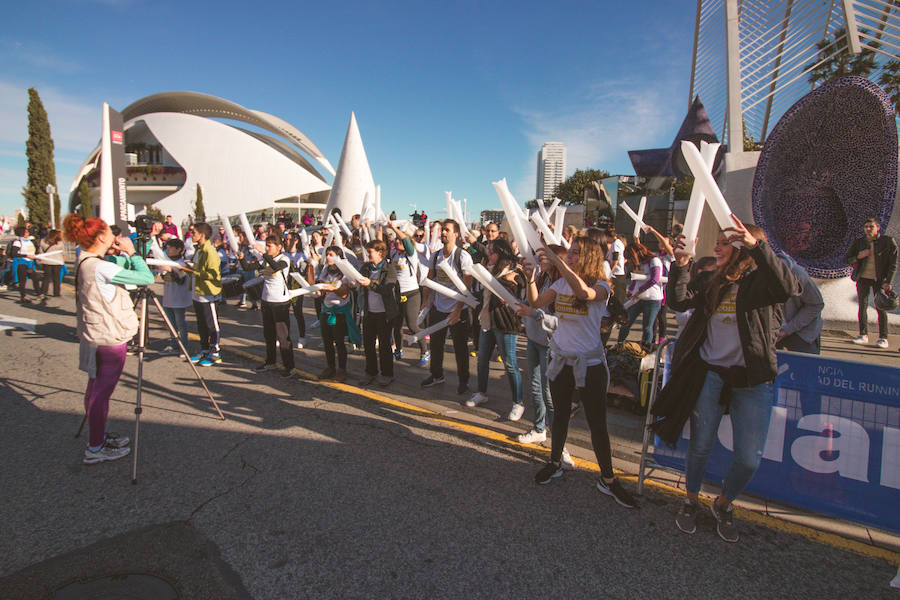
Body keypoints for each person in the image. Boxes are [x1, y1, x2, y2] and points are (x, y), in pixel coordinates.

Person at [659, 218, 797, 542]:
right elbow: (678, 301)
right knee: (701, 445)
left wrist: (758, 246)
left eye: (725, 242)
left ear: (743, 247)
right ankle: (691, 499)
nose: (716, 247)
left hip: (753, 381)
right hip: (709, 374)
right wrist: (680, 267)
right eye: (718, 241)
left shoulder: (763, 284)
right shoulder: (711, 280)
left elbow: (787, 288)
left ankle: (723, 503)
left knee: (749, 459)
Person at [521, 236, 637, 509]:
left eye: (575, 253)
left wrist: (556, 257)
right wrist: (530, 279)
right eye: (569, 253)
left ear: (590, 258)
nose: (570, 257)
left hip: (591, 364)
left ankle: (608, 479)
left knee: (597, 423)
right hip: (561, 360)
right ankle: (555, 462)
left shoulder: (602, 287)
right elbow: (536, 303)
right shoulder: (561, 283)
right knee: (560, 414)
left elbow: (584, 294)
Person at [63, 213, 155, 464]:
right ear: (102, 236)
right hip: (109, 336)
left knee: (95, 387)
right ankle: (95, 448)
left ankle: (98, 436)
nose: (116, 237)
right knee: (101, 392)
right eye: (110, 233)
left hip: (95, 333)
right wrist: (134, 253)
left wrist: (123, 254)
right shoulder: (100, 266)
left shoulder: (87, 260)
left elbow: (115, 269)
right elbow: (146, 278)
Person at [467, 238, 526, 421]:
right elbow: (485, 294)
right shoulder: (490, 269)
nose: (488, 254)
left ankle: (518, 402)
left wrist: (502, 285)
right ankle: (481, 393)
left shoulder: (513, 272)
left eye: (491, 251)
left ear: (500, 253)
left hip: (505, 323)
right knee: (482, 360)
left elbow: (509, 296)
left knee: (510, 363)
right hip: (487, 322)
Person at [420, 219, 473, 394]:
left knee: (460, 348)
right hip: (438, 307)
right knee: (436, 344)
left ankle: (463, 380)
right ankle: (436, 375)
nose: (443, 233)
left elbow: (467, 288)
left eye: (447, 230)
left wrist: (458, 310)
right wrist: (425, 301)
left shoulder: (463, 257)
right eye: (442, 230)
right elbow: (429, 280)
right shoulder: (435, 256)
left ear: (456, 234)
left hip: (458, 309)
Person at [242, 234, 294, 377]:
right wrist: (240, 256)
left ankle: (289, 366)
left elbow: (276, 267)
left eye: (270, 245)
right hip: (266, 300)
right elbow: (247, 267)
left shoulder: (284, 260)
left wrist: (263, 253)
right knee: (269, 334)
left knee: (283, 337)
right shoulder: (265, 260)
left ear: (279, 247)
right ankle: (270, 361)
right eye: (266, 245)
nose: (267, 248)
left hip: (280, 302)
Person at [844, 218, 898, 348]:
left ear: (878, 227)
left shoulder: (887, 242)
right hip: (863, 278)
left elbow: (893, 264)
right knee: (862, 306)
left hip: (879, 279)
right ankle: (863, 334)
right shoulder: (860, 243)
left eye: (871, 226)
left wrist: (888, 281)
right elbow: (847, 259)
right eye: (866, 227)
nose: (868, 229)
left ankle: (883, 338)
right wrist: (859, 256)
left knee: (881, 306)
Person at [357, 239, 400, 386]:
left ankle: (387, 374)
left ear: (380, 252)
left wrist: (370, 284)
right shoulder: (366, 268)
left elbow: (387, 289)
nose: (368, 254)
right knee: (368, 344)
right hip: (369, 312)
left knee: (384, 345)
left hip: (384, 313)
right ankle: (370, 372)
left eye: (370, 252)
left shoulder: (390, 267)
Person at [388, 222, 429, 367]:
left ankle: (425, 351)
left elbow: (406, 240)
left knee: (412, 326)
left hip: (411, 294)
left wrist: (394, 228)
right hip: (397, 295)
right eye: (396, 240)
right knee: (396, 325)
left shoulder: (411, 254)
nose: (397, 241)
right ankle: (398, 350)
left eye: (400, 240)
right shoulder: (393, 254)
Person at [317, 246, 360, 381]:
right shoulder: (325, 270)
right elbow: (320, 290)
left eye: (331, 255)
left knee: (339, 342)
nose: (328, 257)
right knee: (327, 341)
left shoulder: (345, 272)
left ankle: (342, 369)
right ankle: (330, 366)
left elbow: (343, 294)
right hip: (326, 310)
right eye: (327, 254)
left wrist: (331, 288)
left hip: (339, 312)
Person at [617, 239, 664, 348]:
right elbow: (635, 279)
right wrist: (630, 290)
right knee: (626, 323)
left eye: (630, 258)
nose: (629, 261)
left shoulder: (654, 261)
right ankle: (619, 345)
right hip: (638, 298)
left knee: (647, 326)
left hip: (652, 299)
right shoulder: (638, 263)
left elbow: (655, 279)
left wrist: (639, 290)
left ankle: (645, 349)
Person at [188, 223, 223, 367]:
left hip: (207, 294)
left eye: (193, 232)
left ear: (202, 235)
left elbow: (214, 275)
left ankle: (215, 352)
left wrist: (194, 272)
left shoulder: (210, 252)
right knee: (201, 323)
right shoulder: (199, 250)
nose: (191, 234)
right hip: (197, 292)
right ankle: (204, 349)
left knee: (211, 324)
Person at [775, 251, 824, 354]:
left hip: (802, 333)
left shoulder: (798, 274)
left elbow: (816, 304)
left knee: (804, 368)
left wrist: (787, 330)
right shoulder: (753, 272)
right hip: (773, 333)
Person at [159, 238, 192, 354]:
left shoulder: (182, 263)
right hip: (168, 297)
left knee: (180, 324)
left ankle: (184, 347)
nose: (167, 250)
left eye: (170, 248)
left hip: (179, 299)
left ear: (178, 250)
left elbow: (181, 280)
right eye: (166, 248)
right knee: (171, 324)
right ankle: (173, 345)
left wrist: (171, 271)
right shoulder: (167, 261)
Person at [8, 226, 42, 303]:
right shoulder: (17, 242)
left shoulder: (29, 241)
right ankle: (23, 297)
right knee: (22, 281)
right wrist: (26, 255)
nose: (28, 233)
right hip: (21, 263)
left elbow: (33, 252)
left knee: (35, 278)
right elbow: (14, 254)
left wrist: (36, 257)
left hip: (30, 263)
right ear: (22, 233)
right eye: (26, 232)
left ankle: (39, 294)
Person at [39, 229, 65, 301]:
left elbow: (40, 251)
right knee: (56, 278)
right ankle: (56, 292)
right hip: (57, 261)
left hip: (46, 262)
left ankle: (43, 292)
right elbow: (63, 252)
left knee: (46, 278)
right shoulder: (59, 243)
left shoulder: (43, 241)